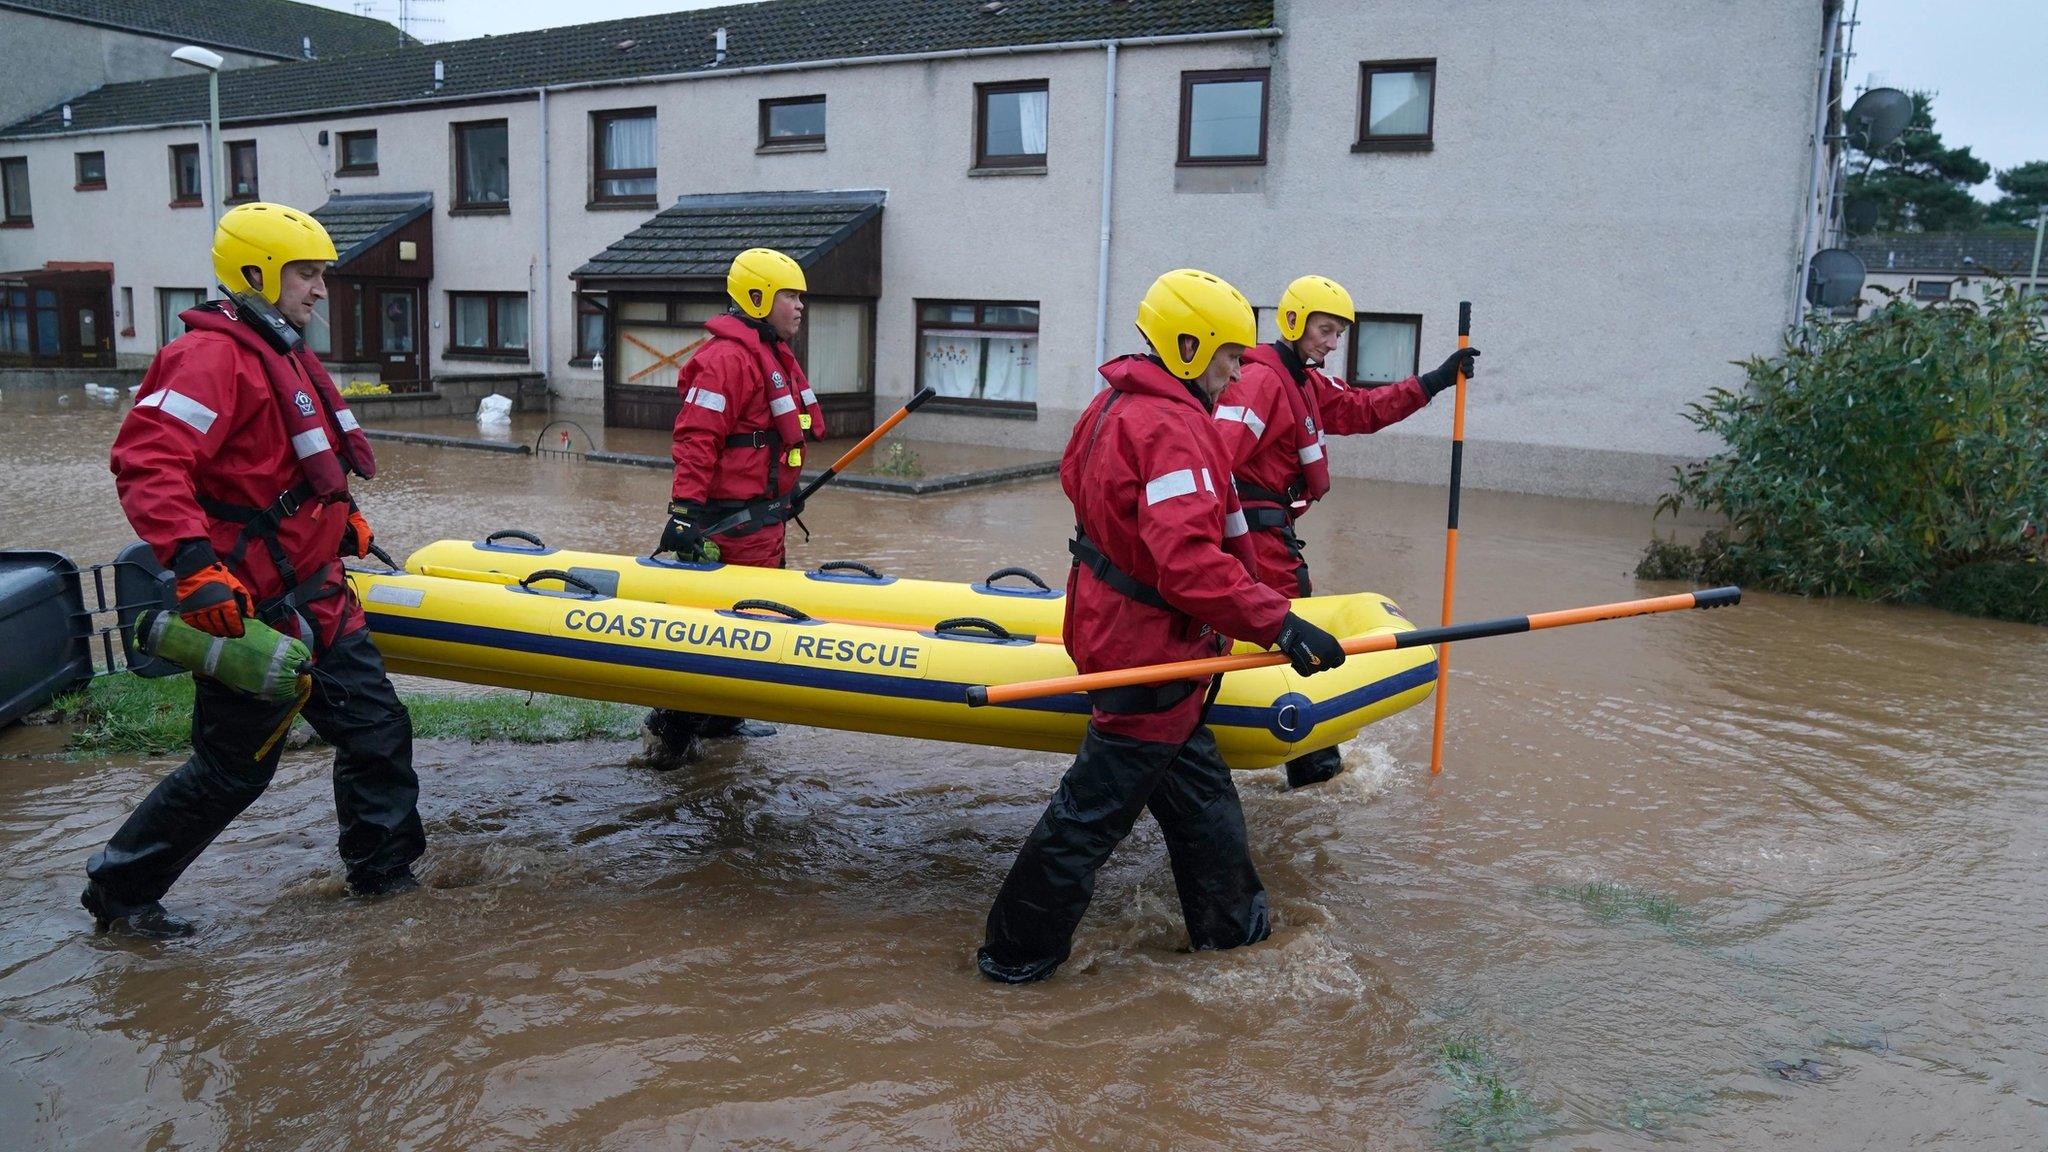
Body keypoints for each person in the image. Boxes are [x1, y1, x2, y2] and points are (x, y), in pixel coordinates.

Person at [977, 269, 1350, 985]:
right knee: (1088, 819)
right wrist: (1281, 624)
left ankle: (1236, 945)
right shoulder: (1172, 428)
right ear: (1188, 346)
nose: (1239, 372)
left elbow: (1084, 491)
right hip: (1146, 649)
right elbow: (1186, 564)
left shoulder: (1113, 402)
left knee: (1203, 806)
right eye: (1229, 358)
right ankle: (1014, 957)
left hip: (1123, 631)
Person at [83, 202, 424, 939]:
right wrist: (195, 564)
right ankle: (120, 894)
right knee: (234, 771)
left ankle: (385, 884)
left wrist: (341, 519)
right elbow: (149, 461)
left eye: (322, 274)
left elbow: (293, 463)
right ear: (257, 274)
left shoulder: (281, 348)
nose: (320, 290)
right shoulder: (211, 359)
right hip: (249, 608)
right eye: (306, 273)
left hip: (320, 596)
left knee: (377, 731)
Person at [1212, 275, 1480, 788]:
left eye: (1339, 335)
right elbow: (1217, 460)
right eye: (1326, 331)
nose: (1333, 344)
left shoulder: (1304, 382)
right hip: (1258, 538)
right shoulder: (1264, 380)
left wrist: (1433, 382)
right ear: (1294, 322)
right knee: (1292, 639)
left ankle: (1310, 766)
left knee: (1289, 634)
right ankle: (1316, 773)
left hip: (1273, 532)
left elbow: (1363, 409)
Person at [638, 247, 826, 767]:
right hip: (730, 528)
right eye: (791, 296)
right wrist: (683, 513)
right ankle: (669, 735)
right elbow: (697, 439)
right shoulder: (727, 360)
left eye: (800, 297)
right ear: (759, 297)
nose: (799, 306)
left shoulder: (769, 356)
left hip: (763, 524)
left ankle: (723, 722)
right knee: (724, 631)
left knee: (755, 627)